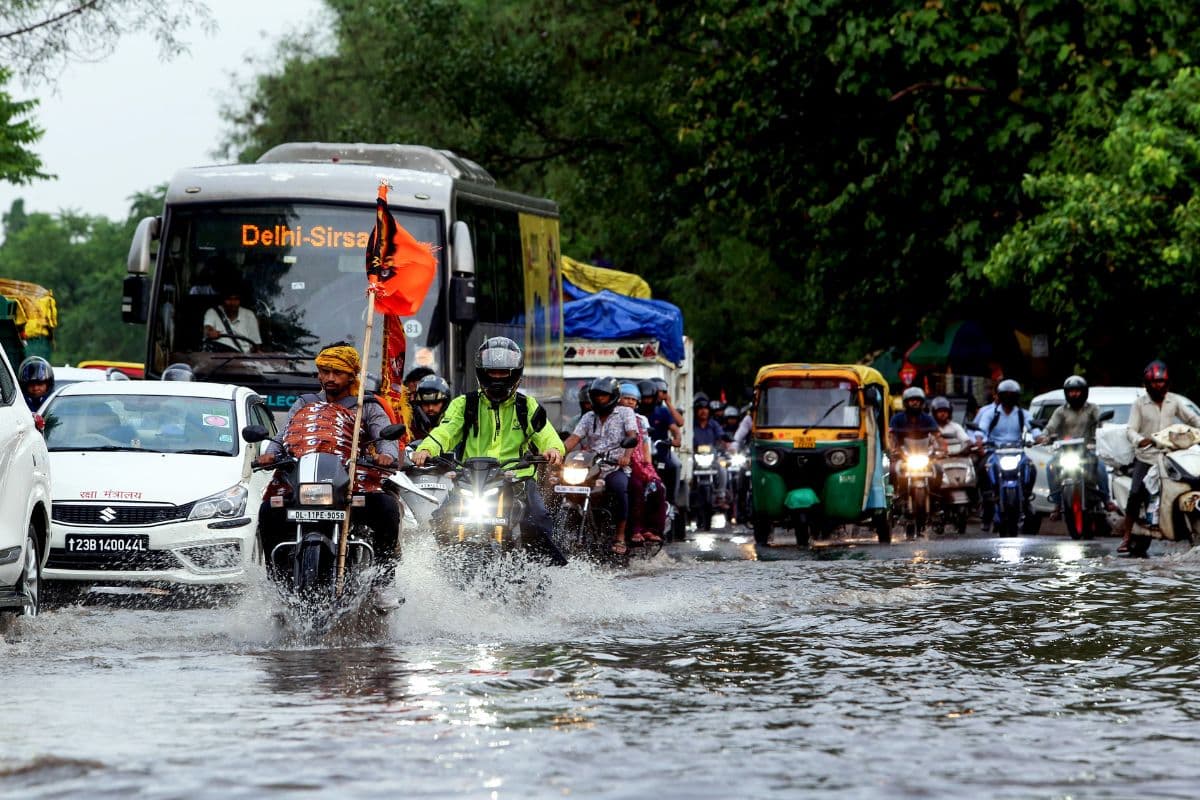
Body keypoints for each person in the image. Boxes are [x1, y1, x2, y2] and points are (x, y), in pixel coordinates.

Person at [254, 343, 402, 609]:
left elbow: (385, 437)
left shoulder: (366, 405)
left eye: (338, 372)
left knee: (387, 507)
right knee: (268, 511)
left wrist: (386, 456)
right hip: (304, 479)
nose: (330, 378)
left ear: (352, 375)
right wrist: (270, 454)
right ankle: (276, 587)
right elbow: (281, 438)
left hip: (350, 480)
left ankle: (383, 582)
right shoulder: (304, 403)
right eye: (325, 371)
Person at [411, 337, 565, 561]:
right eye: (493, 372)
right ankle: (441, 570)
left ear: (515, 373)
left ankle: (542, 574)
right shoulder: (464, 404)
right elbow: (444, 432)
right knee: (441, 521)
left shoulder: (527, 406)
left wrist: (553, 449)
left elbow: (546, 434)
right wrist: (426, 449)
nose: (498, 378)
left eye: (503, 373)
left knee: (538, 522)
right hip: (471, 481)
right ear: (482, 373)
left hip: (516, 481)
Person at [1116, 360, 1200, 554]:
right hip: (1147, 456)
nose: (1158, 385)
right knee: (1136, 492)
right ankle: (1127, 536)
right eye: (1154, 382)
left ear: (1167, 382)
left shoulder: (1174, 401)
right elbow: (1130, 430)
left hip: (1171, 456)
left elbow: (1192, 419)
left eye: (1162, 382)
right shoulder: (1139, 404)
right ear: (1147, 384)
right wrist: (1140, 440)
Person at [562, 376, 641, 555]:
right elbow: (574, 438)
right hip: (591, 468)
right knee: (562, 487)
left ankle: (619, 537)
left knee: (620, 488)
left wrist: (626, 457)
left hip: (614, 467)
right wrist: (558, 453)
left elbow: (632, 436)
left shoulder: (625, 413)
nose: (599, 399)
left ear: (612, 396)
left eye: (603, 395)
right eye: (596, 395)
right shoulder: (589, 417)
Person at [1035, 375, 1119, 520]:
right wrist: (1044, 436)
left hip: (1087, 450)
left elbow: (1101, 425)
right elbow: (1050, 427)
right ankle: (1056, 504)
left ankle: (1106, 500)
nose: (1074, 394)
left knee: (1099, 466)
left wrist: (1102, 434)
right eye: (1071, 391)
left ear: (1084, 392)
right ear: (1066, 393)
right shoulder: (1060, 411)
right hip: (1065, 452)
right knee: (1051, 466)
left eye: (1077, 391)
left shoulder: (1092, 408)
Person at [974, 379, 1036, 532]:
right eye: (1005, 395)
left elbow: (1034, 429)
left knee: (1031, 467)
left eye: (1012, 395)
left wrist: (1039, 437)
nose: (1008, 398)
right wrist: (980, 441)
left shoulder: (1023, 414)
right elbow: (981, 430)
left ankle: (1026, 497)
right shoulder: (990, 413)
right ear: (999, 396)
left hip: (1017, 452)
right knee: (982, 468)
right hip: (995, 452)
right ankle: (987, 505)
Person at [619, 383, 665, 544]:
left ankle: (652, 530)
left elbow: (645, 444)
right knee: (636, 487)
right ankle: (635, 530)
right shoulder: (615, 417)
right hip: (622, 464)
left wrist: (648, 467)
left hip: (640, 463)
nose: (630, 402)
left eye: (633, 399)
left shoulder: (642, 420)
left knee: (657, 488)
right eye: (627, 398)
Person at [202, 282, 260, 353]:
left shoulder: (249, 315)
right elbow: (207, 329)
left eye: (236, 299)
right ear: (223, 299)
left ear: (240, 300)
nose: (232, 303)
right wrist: (210, 333)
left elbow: (256, 345)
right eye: (229, 299)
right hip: (218, 357)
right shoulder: (212, 312)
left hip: (242, 358)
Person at [410, 374, 451, 441]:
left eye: (435, 403)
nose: (430, 408)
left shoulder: (454, 422)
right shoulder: (411, 424)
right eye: (425, 404)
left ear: (445, 403)